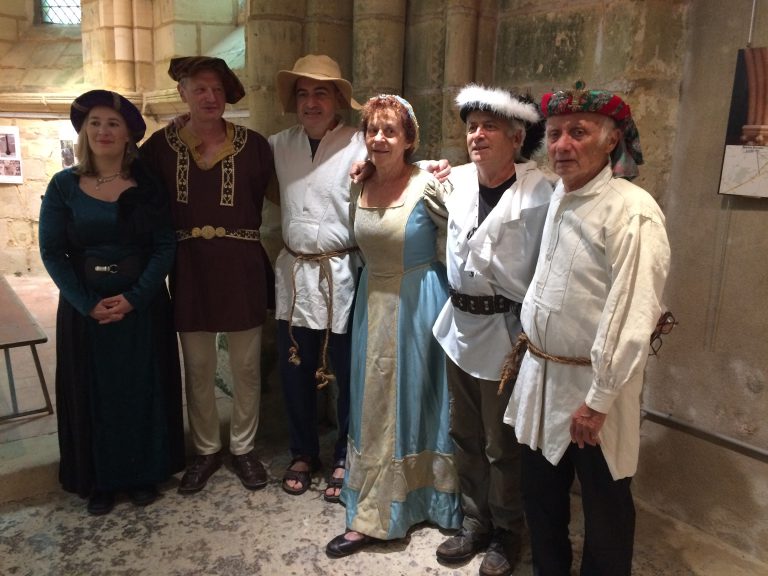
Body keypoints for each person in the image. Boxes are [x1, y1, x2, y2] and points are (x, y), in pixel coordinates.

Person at [502, 86, 671, 575]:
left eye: (578, 132)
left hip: (593, 391)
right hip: (541, 378)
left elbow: (633, 312)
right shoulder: (561, 193)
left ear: (611, 139)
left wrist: (598, 401)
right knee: (541, 497)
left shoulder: (632, 211)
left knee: (605, 507)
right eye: (555, 133)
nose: (562, 145)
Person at [325, 95, 461, 558]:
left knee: (420, 400)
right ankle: (376, 506)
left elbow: (466, 229)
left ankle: (426, 501)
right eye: (372, 130)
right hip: (373, 300)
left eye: (390, 131)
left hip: (419, 302)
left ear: (408, 140)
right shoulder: (358, 184)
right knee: (375, 403)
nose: (379, 139)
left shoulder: (428, 184)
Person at [39, 90, 185, 515]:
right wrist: (86, 302)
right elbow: (52, 251)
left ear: (128, 135)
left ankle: (143, 473)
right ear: (84, 131)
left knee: (139, 388)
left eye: (113, 124)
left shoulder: (147, 185)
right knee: (94, 392)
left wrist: (135, 298)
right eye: (95, 123)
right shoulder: (64, 186)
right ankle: (100, 480)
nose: (103, 131)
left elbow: (164, 245)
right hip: (86, 313)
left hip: (142, 308)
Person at [431, 84, 553, 576]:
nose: (476, 136)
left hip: (506, 333)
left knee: (503, 444)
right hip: (459, 326)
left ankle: (507, 531)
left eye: (489, 128)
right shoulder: (456, 180)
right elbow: (403, 168)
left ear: (516, 137)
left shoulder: (541, 191)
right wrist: (365, 167)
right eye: (471, 127)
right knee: (463, 432)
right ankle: (474, 521)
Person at [141, 57, 274, 494]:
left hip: (242, 268)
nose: (210, 97)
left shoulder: (255, 146)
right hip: (189, 269)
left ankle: (243, 448)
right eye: (199, 88)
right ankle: (206, 450)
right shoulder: (160, 148)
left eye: (217, 89)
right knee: (197, 366)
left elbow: (287, 191)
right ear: (182, 93)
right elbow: (133, 192)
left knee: (246, 366)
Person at [270, 55, 366, 502]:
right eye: (303, 93)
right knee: (296, 371)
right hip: (294, 276)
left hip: (342, 274)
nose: (311, 102)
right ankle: (304, 452)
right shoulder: (276, 145)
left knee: (347, 373)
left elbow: (403, 169)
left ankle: (345, 454)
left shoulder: (362, 142)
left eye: (321, 93)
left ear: (338, 100)